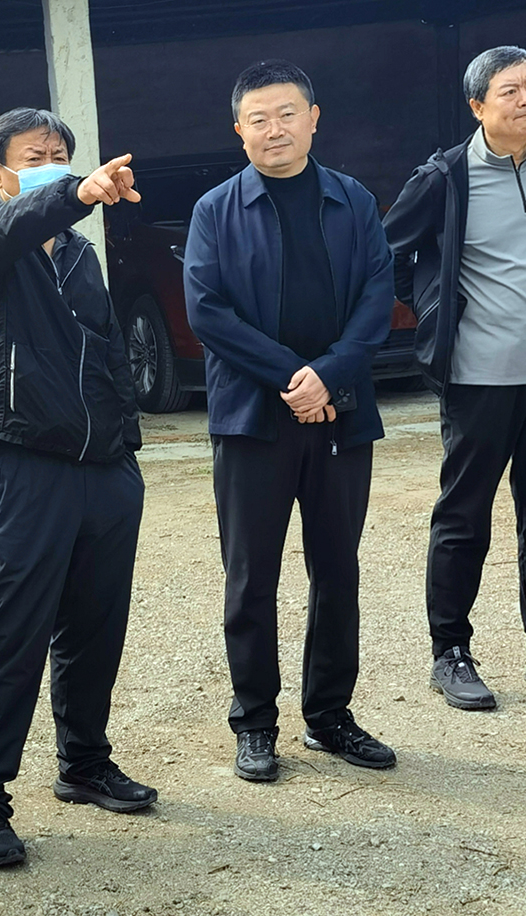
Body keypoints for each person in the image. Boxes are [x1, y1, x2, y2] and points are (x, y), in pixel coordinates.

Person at [0, 108, 156, 869]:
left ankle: (84, 763)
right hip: (24, 465)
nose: (54, 167)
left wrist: (125, 445)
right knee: (14, 633)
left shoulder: (77, 255)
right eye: (36, 158)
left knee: (96, 625)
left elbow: (106, 349)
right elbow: (11, 227)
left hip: (104, 469)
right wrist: (76, 194)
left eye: (62, 155)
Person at [183, 61, 397, 779]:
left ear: (313, 117)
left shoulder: (353, 200)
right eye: (259, 119)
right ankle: (255, 722)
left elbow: (377, 296)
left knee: (337, 570)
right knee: (251, 578)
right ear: (238, 129)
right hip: (254, 420)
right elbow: (207, 312)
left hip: (340, 414)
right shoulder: (216, 210)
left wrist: (330, 374)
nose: (275, 129)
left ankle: (330, 716)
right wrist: (292, 378)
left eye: (287, 114)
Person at [383, 46, 526, 710]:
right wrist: (434, 309)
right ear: (477, 105)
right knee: (464, 517)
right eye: (511, 90)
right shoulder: (445, 177)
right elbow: (387, 251)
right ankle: (450, 653)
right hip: (480, 377)